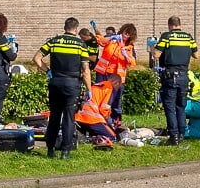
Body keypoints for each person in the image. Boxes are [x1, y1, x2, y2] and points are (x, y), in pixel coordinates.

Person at [38, 18, 91, 158]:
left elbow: (36, 58)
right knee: (68, 118)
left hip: (55, 82)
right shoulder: (80, 44)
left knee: (54, 117)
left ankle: (50, 149)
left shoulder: (54, 41)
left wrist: (47, 71)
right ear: (76, 29)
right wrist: (89, 89)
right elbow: (85, 69)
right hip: (72, 84)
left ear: (64, 27)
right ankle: (66, 152)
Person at [150, 15, 198, 145]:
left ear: (169, 25)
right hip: (184, 75)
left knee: (170, 106)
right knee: (181, 107)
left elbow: (156, 55)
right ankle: (182, 135)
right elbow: (196, 55)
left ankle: (173, 136)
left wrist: (152, 46)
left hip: (170, 76)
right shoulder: (189, 37)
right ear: (179, 24)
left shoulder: (167, 36)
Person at [97, 23, 137, 128]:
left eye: (128, 34)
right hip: (104, 74)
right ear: (122, 31)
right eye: (125, 33)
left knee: (115, 102)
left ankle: (116, 124)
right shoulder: (112, 41)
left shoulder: (129, 47)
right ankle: (100, 122)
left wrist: (126, 56)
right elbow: (100, 41)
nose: (126, 35)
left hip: (118, 79)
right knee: (101, 99)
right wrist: (111, 37)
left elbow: (132, 63)